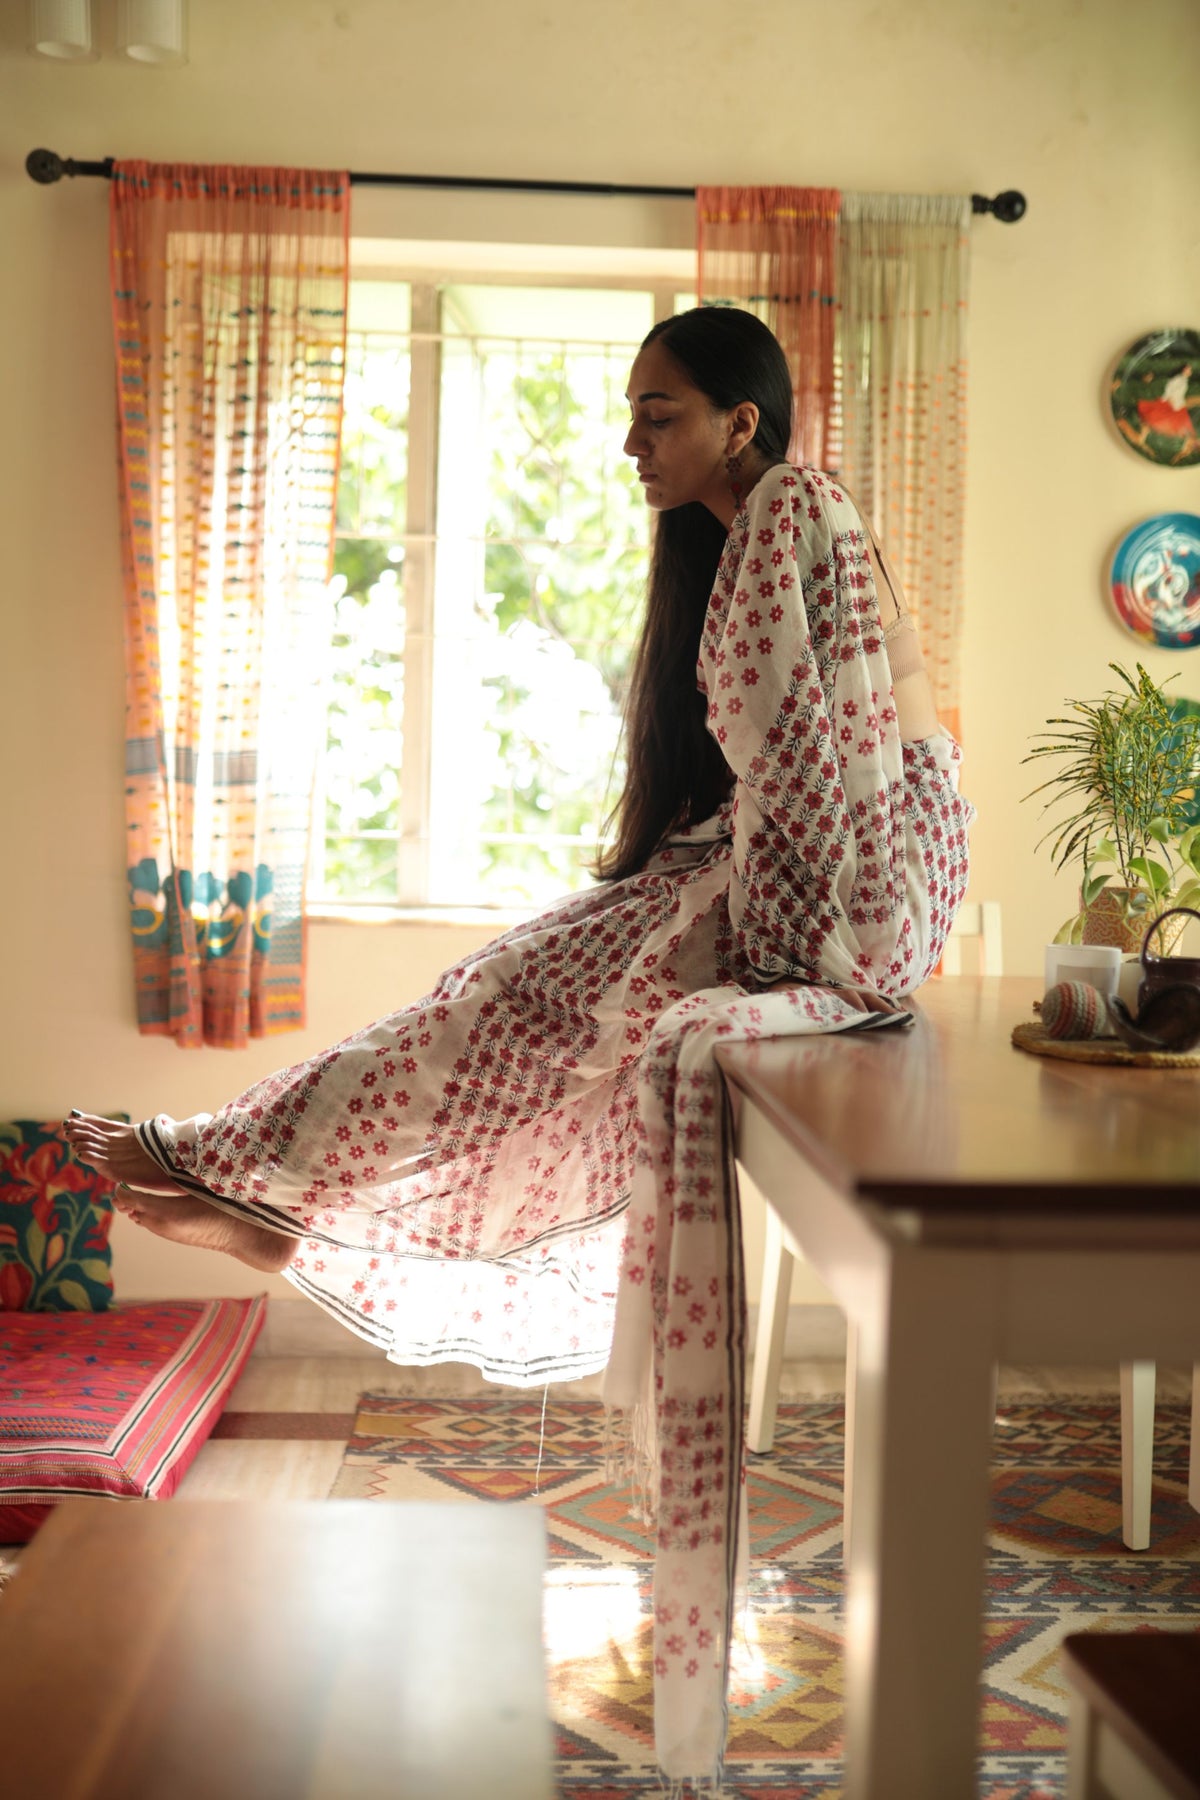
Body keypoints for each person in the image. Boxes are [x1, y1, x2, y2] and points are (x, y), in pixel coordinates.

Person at [69, 305, 973, 1789]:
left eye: (658, 413)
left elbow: (822, 770)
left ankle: (257, 1182)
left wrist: (776, 945)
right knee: (515, 992)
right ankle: (266, 1189)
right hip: (833, 881)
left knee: (520, 1000)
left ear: (741, 421)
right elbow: (791, 768)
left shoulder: (790, 511)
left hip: (852, 896)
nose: (630, 441)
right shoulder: (751, 530)